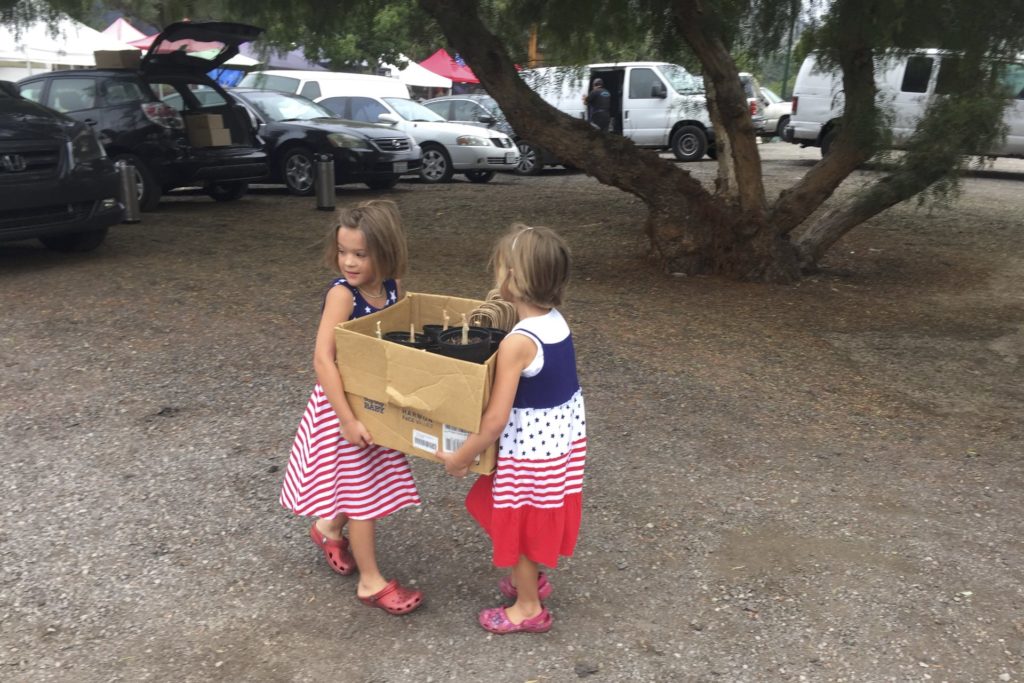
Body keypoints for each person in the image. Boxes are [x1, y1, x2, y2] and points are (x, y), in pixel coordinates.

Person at [438, 225, 587, 635]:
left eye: (501, 267)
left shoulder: (518, 343)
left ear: (513, 280)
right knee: (495, 508)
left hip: (531, 454)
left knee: (519, 530)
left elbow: (494, 420)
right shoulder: (557, 322)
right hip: (558, 448)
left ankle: (528, 608)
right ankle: (531, 578)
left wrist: (461, 457)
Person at [279, 200, 424, 616]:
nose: (349, 262)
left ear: (386, 250)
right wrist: (346, 418)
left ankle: (327, 527)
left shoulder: (394, 286)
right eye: (343, 252)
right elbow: (323, 358)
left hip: (376, 403)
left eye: (360, 254)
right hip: (343, 407)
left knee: (364, 482)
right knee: (364, 496)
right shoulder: (343, 295)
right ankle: (370, 581)